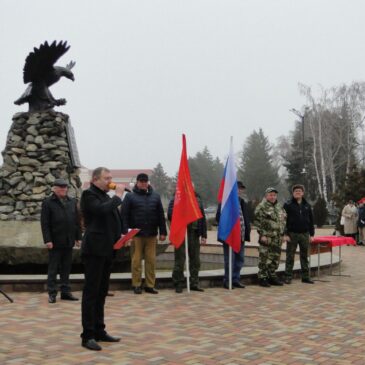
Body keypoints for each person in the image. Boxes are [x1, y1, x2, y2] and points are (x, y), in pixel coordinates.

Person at [80, 167, 125, 351]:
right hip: (94, 251)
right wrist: (118, 196)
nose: (110, 181)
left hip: (107, 250)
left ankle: (99, 330)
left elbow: (112, 219)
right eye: (106, 178)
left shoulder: (106, 196)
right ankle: (87, 335)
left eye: (111, 178)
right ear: (95, 179)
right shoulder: (89, 195)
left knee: (101, 293)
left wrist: (121, 237)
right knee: (91, 293)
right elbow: (101, 211)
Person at [121, 173, 167, 294]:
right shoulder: (130, 197)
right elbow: (124, 216)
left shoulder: (156, 197)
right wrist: (125, 233)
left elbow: (161, 216)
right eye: (141, 181)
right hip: (136, 235)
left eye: (145, 181)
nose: (143, 183)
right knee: (136, 261)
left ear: (148, 182)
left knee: (151, 261)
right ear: (137, 182)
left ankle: (149, 285)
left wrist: (163, 232)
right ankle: (136, 284)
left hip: (151, 234)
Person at [41, 178, 81, 304]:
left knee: (66, 268)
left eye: (65, 187)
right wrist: (47, 240)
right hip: (55, 241)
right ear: (54, 188)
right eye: (60, 187)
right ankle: (52, 293)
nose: (63, 189)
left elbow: (76, 221)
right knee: (53, 269)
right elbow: (45, 223)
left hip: (68, 240)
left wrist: (78, 237)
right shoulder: (48, 202)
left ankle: (65, 292)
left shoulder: (72, 201)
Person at [168, 191, 207, 293]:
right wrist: (181, 211)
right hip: (182, 233)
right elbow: (170, 215)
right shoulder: (176, 199)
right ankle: (178, 283)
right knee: (180, 260)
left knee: (195, 261)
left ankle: (194, 282)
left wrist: (204, 235)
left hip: (194, 234)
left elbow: (202, 218)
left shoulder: (197, 200)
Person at [216, 181, 251, 289]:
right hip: (230, 235)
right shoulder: (225, 201)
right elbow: (218, 217)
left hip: (241, 236)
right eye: (237, 188)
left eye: (241, 188)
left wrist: (247, 231)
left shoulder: (242, 202)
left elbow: (245, 218)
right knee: (229, 260)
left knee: (240, 259)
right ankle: (227, 280)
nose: (239, 190)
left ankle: (235, 279)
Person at [254, 187, 286, 287]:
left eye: (274, 195)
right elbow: (257, 221)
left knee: (275, 258)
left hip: (278, 237)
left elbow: (283, 220)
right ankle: (262, 277)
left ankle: (272, 275)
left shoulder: (279, 206)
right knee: (264, 257)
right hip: (267, 237)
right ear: (266, 196)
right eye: (270, 195)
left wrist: (283, 234)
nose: (273, 197)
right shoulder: (262, 206)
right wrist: (262, 234)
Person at [283, 184, 315, 285]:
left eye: (299, 191)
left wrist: (312, 234)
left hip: (305, 234)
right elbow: (283, 221)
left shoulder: (307, 205)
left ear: (303, 193)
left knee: (304, 256)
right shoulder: (287, 205)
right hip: (292, 234)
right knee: (290, 256)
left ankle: (305, 277)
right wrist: (285, 234)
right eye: (296, 191)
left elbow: (311, 220)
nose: (298, 192)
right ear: (293, 193)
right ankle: (288, 277)